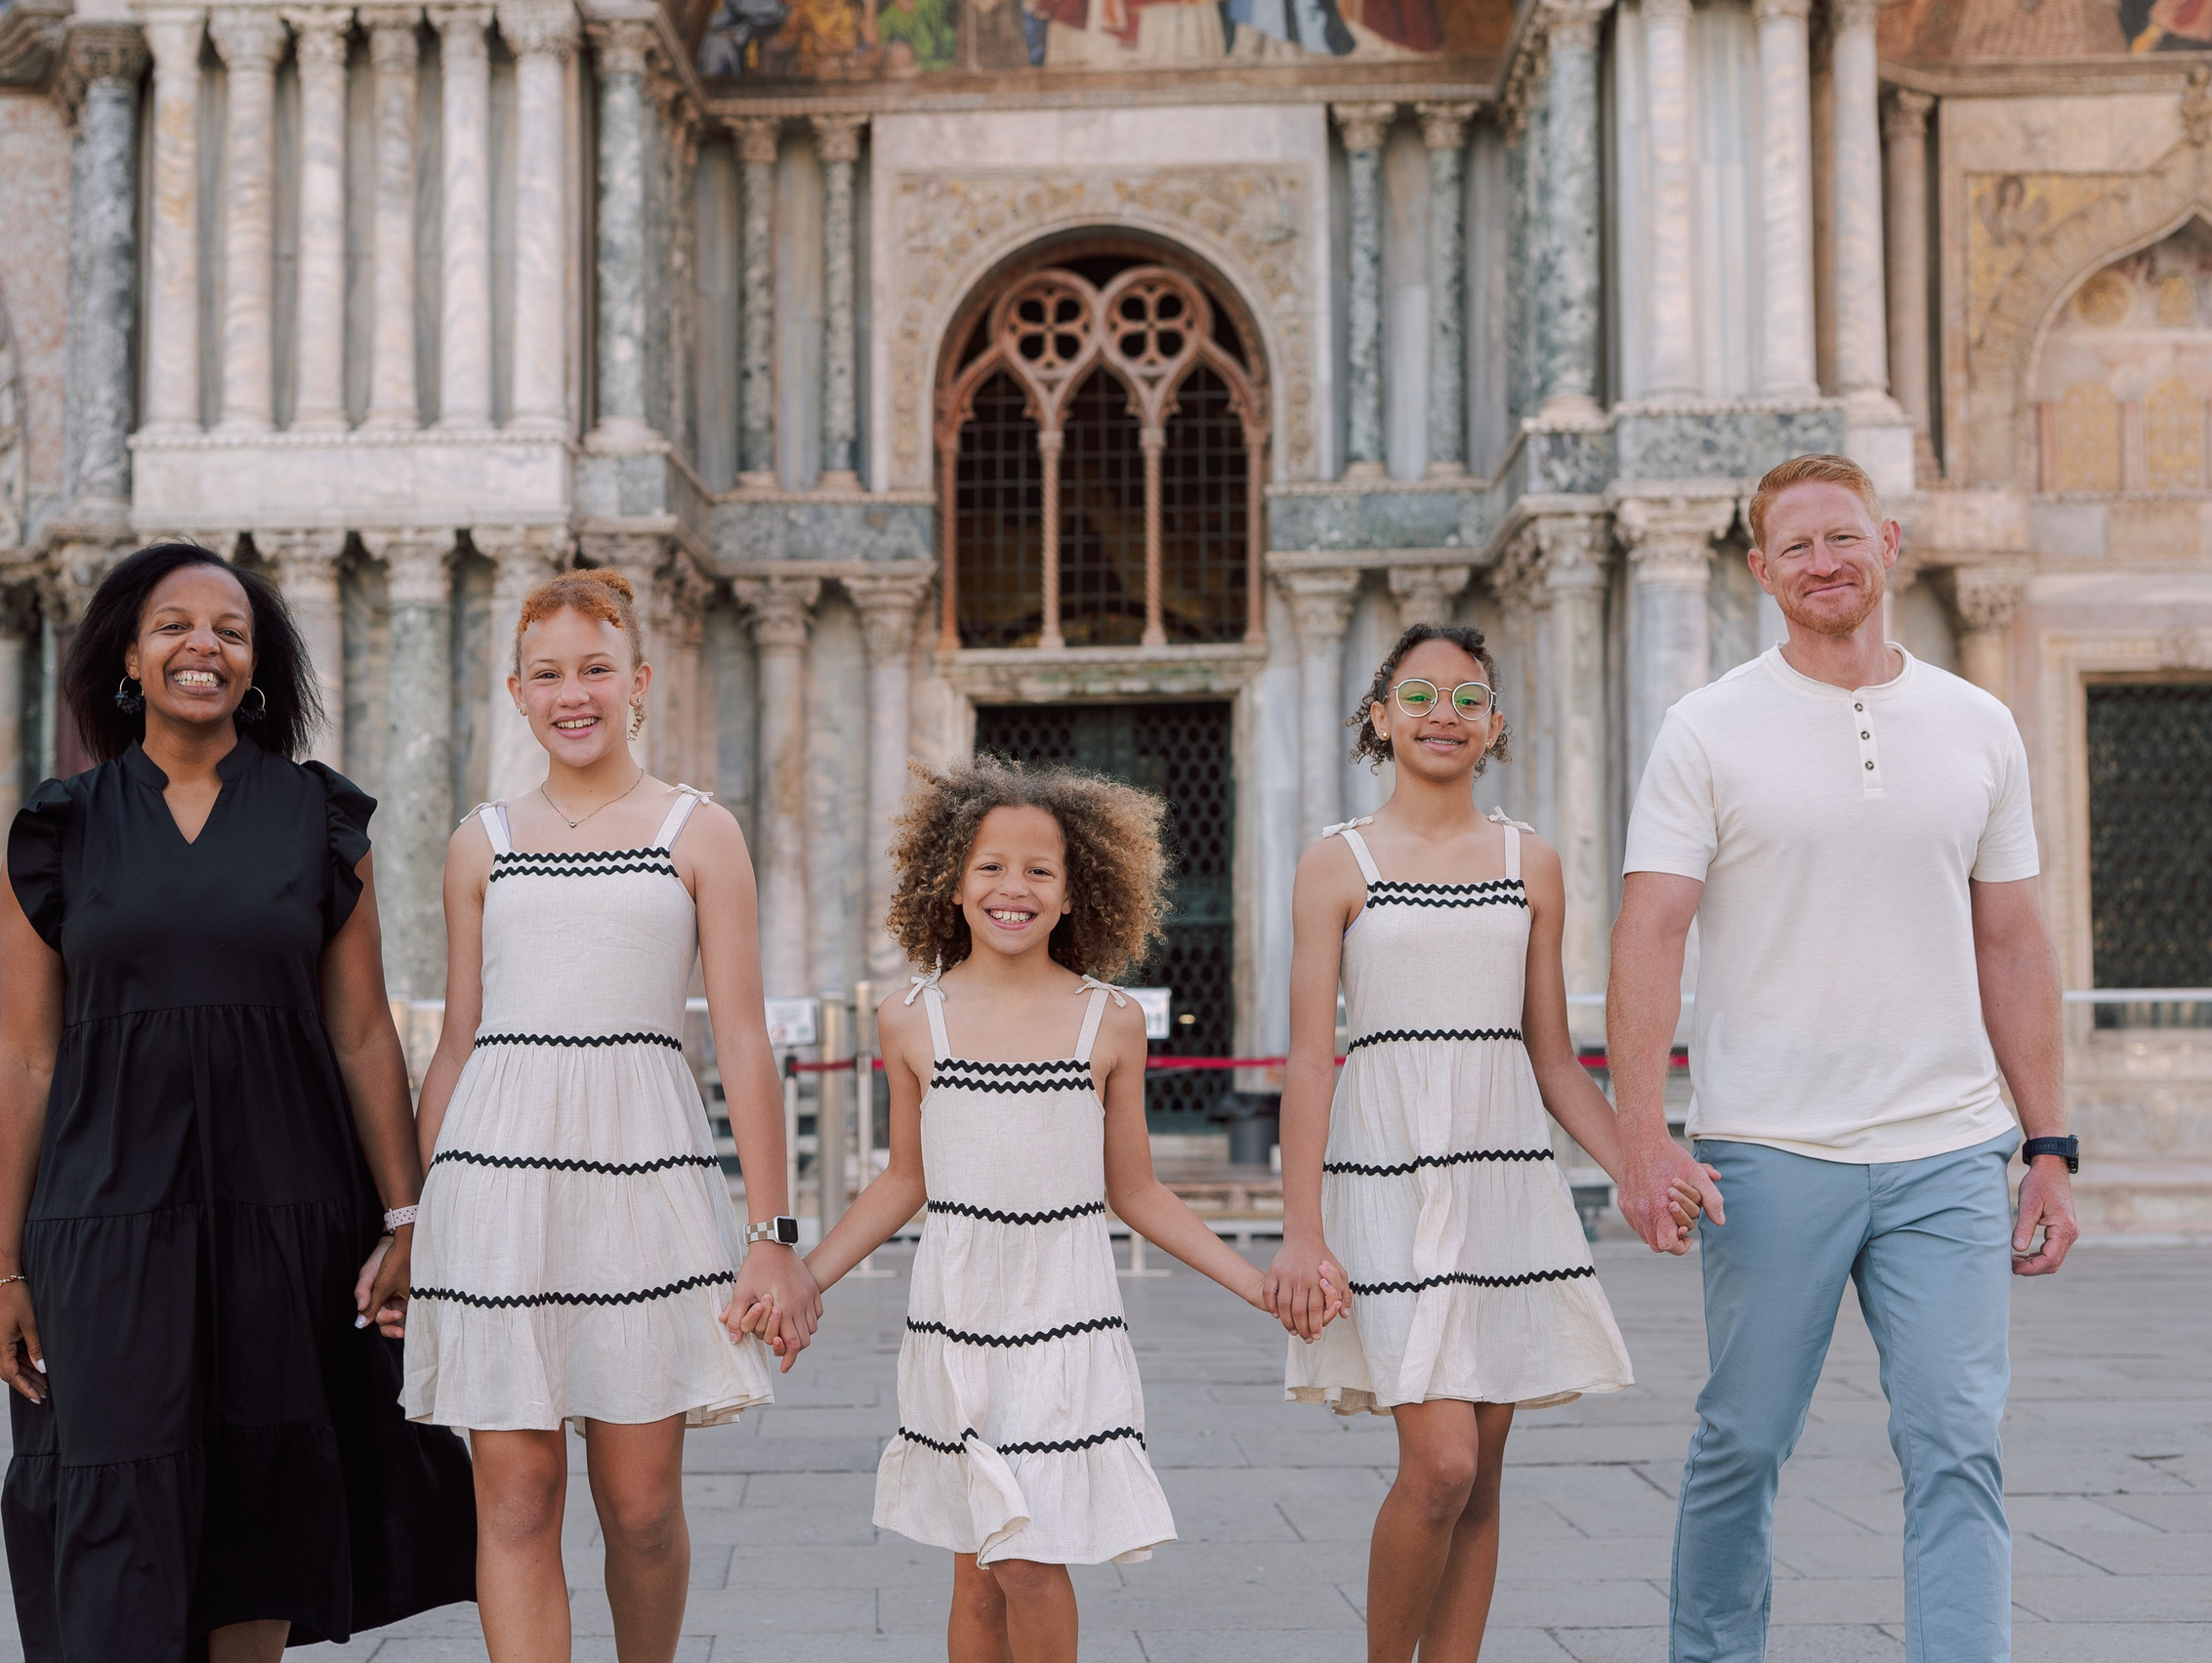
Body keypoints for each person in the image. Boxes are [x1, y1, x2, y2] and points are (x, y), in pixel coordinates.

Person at [1608, 452, 2078, 1663]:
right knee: (1743, 1438)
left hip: (1950, 1148)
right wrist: (1644, 1133)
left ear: (1890, 539)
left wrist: (2048, 1143)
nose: (1825, 561)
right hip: (1767, 1149)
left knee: (1957, 1444)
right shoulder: (1706, 726)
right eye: (1797, 546)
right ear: (1761, 571)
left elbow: (2014, 941)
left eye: (1844, 537)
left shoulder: (1978, 723)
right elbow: (1650, 926)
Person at [0, 542, 477, 1662]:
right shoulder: (59, 828)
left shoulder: (317, 821)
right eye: (173, 624)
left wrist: (407, 1217)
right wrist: (5, 1267)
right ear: (128, 652)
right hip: (105, 1217)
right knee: (115, 1501)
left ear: (257, 665)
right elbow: (21, 1059)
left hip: (287, 1209)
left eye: (231, 629)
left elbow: (361, 1033)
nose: (202, 643)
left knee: (263, 1498)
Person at [400, 568, 820, 1662]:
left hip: (644, 1186)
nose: (571, 691)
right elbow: (456, 1042)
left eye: (595, 668)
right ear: (516, 690)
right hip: (495, 1190)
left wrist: (772, 1237)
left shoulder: (698, 830)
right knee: (520, 1498)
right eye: (547, 672)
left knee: (639, 1507)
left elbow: (739, 1038)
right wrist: (411, 1216)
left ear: (638, 681)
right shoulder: (479, 840)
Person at [1267, 622, 1686, 1663]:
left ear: (1494, 724)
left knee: (1485, 1472)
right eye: (1417, 695)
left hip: (1505, 1183)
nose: (1441, 713)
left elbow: (1551, 1057)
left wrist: (1643, 1159)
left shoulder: (1527, 859)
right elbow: (1310, 1060)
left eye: (1464, 697)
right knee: (1441, 1461)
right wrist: (1298, 1229)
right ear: (1379, 718)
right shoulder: (1335, 863)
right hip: (1386, 1180)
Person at [795, 758, 1275, 1663]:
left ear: (1073, 893)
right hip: (957, 1318)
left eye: (1039, 871)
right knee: (976, 1577)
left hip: (1064, 1321)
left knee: (1027, 1560)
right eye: (989, 865)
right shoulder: (911, 1020)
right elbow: (905, 1179)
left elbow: (1136, 1189)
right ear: (951, 881)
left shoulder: (1110, 1022)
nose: (1012, 887)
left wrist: (1254, 1282)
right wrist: (803, 1278)